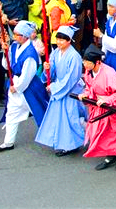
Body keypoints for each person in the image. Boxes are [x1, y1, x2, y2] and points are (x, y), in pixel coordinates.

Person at [0, 20, 49, 152]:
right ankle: (8, 142)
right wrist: (5, 53)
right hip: (16, 85)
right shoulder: (13, 47)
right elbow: (6, 65)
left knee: (41, 113)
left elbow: (27, 75)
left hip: (28, 89)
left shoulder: (30, 53)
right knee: (11, 114)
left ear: (24, 36)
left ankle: (56, 140)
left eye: (17, 34)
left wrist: (17, 87)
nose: (14, 36)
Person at [79, 45, 116, 171]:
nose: (85, 65)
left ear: (97, 62)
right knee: (104, 132)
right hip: (100, 105)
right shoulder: (89, 72)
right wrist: (86, 94)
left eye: (87, 62)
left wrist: (107, 100)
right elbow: (89, 87)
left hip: (115, 105)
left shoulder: (109, 72)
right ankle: (110, 156)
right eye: (84, 62)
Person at [35, 26, 86, 156]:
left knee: (70, 118)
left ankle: (71, 144)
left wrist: (54, 87)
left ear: (69, 41)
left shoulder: (74, 56)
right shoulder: (55, 52)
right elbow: (51, 72)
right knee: (60, 118)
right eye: (57, 39)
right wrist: (48, 68)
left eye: (62, 40)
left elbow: (72, 78)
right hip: (59, 89)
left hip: (70, 91)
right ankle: (64, 143)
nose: (59, 42)